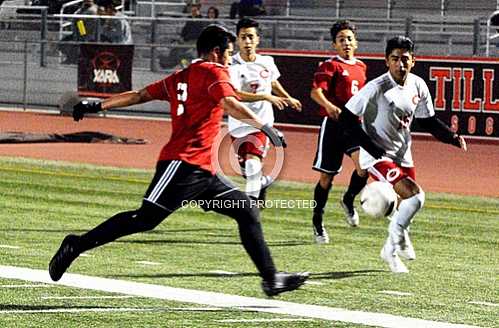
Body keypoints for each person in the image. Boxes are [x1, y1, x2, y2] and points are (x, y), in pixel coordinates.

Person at [48, 24, 309, 296]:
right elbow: (230, 104)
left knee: (246, 211)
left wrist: (97, 104)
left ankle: (271, 278)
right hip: (182, 166)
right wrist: (266, 127)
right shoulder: (214, 70)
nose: (231, 59)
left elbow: (139, 95)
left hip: (203, 172)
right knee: (143, 219)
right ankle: (76, 244)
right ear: (216, 53)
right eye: (229, 54)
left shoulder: (181, 75)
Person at [341, 36, 467, 273]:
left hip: (402, 152)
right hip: (377, 156)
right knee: (415, 196)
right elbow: (346, 118)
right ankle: (395, 244)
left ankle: (394, 246)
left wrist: (452, 137)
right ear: (387, 61)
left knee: (404, 207)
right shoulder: (376, 87)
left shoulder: (417, 85)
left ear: (413, 61)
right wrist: (371, 147)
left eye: (405, 59)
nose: (400, 64)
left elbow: (427, 121)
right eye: (395, 59)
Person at [228, 18, 301, 202]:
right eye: (243, 37)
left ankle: (250, 212)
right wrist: (266, 96)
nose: (247, 42)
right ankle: (263, 182)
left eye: (251, 37)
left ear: (258, 39)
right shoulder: (232, 65)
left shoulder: (267, 61)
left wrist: (287, 97)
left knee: (252, 165)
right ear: (237, 40)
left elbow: (273, 82)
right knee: (247, 170)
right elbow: (236, 94)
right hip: (238, 124)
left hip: (262, 124)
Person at [310, 20, 368, 244]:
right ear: (334, 44)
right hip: (333, 125)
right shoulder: (330, 66)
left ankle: (348, 199)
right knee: (326, 177)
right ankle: (317, 220)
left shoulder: (361, 67)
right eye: (341, 39)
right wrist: (329, 106)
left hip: (354, 125)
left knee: (363, 168)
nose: (346, 42)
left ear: (356, 42)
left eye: (349, 38)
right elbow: (316, 93)